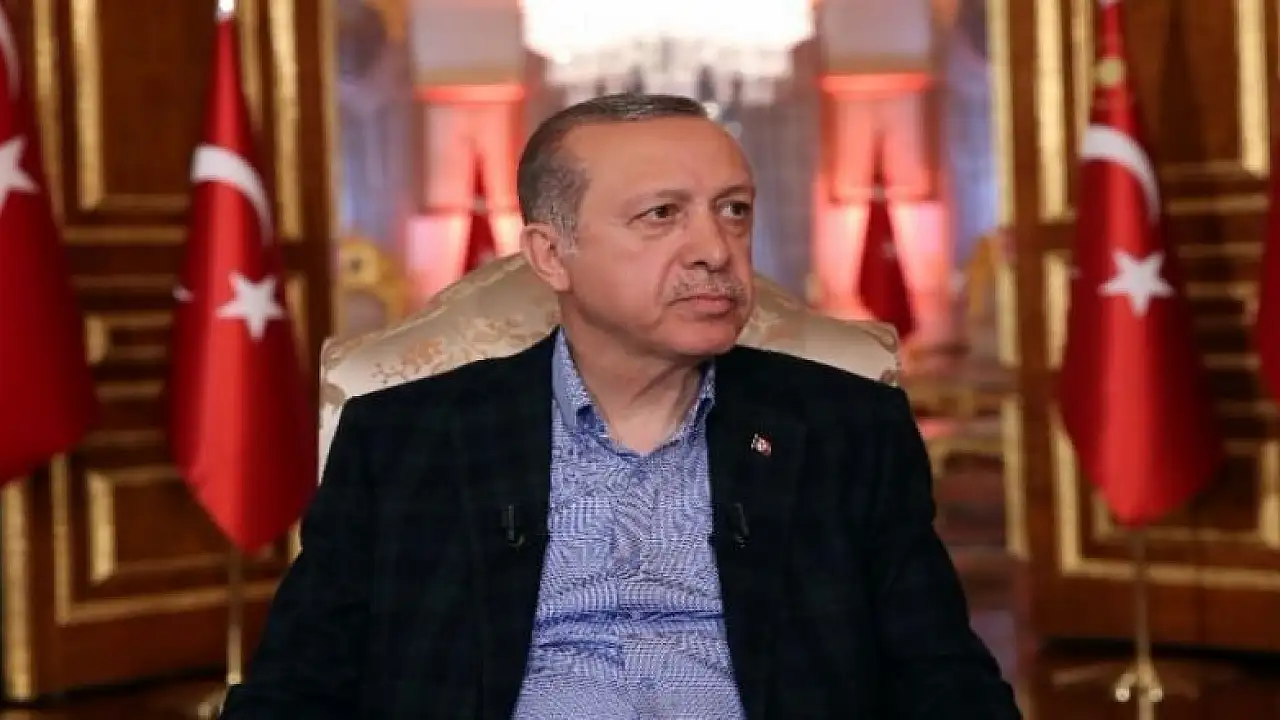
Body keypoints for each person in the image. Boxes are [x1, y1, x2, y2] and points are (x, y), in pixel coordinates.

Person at [220, 93, 1020, 719]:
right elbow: (298, 686)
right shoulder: (406, 439)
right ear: (551, 255)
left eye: (734, 209)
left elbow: (942, 675)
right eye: (661, 215)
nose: (715, 250)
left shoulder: (845, 429)